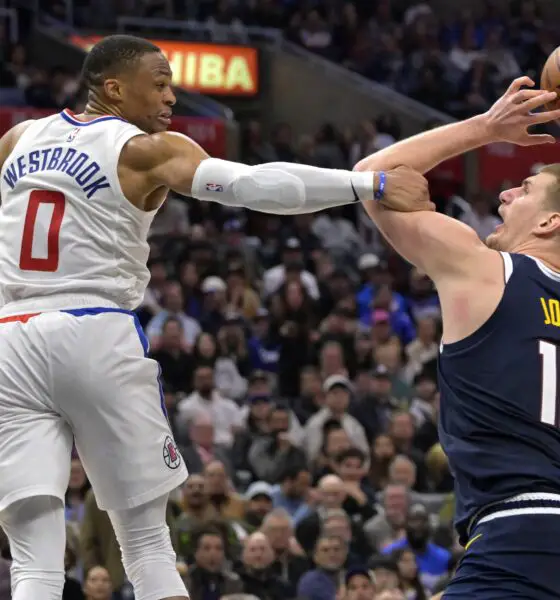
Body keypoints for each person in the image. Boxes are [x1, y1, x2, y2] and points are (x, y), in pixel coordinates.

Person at [0, 34, 422, 600]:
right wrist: (367, 183)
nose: (173, 96)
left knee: (32, 559)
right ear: (114, 88)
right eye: (161, 82)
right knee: (147, 542)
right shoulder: (144, 149)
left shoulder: (18, 139)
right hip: (92, 328)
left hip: (10, 339)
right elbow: (250, 186)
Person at [354, 76, 560, 598]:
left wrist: (488, 127)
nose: (507, 191)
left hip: (522, 529)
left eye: (526, 189)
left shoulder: (489, 272)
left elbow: (372, 176)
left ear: (551, 222)